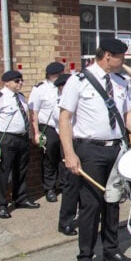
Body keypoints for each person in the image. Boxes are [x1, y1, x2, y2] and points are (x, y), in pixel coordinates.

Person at [59, 38, 131, 261]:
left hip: (115, 149)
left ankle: (111, 250)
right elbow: (65, 118)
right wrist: (69, 153)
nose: (124, 62)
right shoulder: (78, 81)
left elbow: (126, 113)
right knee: (90, 205)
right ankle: (85, 259)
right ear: (108, 56)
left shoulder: (119, 82)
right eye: (121, 57)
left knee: (113, 202)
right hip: (89, 150)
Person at [0, 70, 40, 219]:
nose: (20, 83)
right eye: (16, 81)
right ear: (6, 82)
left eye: (21, 80)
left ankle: (20, 198)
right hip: (5, 139)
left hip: (22, 138)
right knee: (3, 172)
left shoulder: (21, 97)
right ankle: (0, 205)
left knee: (21, 170)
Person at [29, 61, 66, 202]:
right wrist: (36, 133)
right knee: (49, 157)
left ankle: (63, 184)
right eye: (57, 75)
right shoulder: (40, 88)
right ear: (50, 76)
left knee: (64, 156)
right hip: (48, 127)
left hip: (64, 127)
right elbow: (33, 111)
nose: (59, 76)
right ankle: (49, 188)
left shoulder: (67, 86)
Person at [52, 73, 79, 236]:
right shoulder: (60, 103)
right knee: (71, 184)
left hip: (84, 143)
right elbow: (64, 121)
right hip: (68, 143)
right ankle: (65, 222)